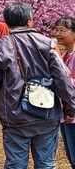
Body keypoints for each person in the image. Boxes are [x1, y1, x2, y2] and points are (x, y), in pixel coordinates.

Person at [0, 2, 75, 169]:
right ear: (29, 21)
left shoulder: (0, 46)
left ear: (8, 22)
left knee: (15, 164)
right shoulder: (48, 43)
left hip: (14, 115)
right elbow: (63, 79)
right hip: (46, 112)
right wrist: (70, 109)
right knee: (46, 164)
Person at [54, 17, 75, 168]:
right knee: (71, 155)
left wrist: (63, 79)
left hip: (73, 112)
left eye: (62, 30)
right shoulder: (65, 55)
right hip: (65, 112)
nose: (57, 34)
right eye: (56, 30)